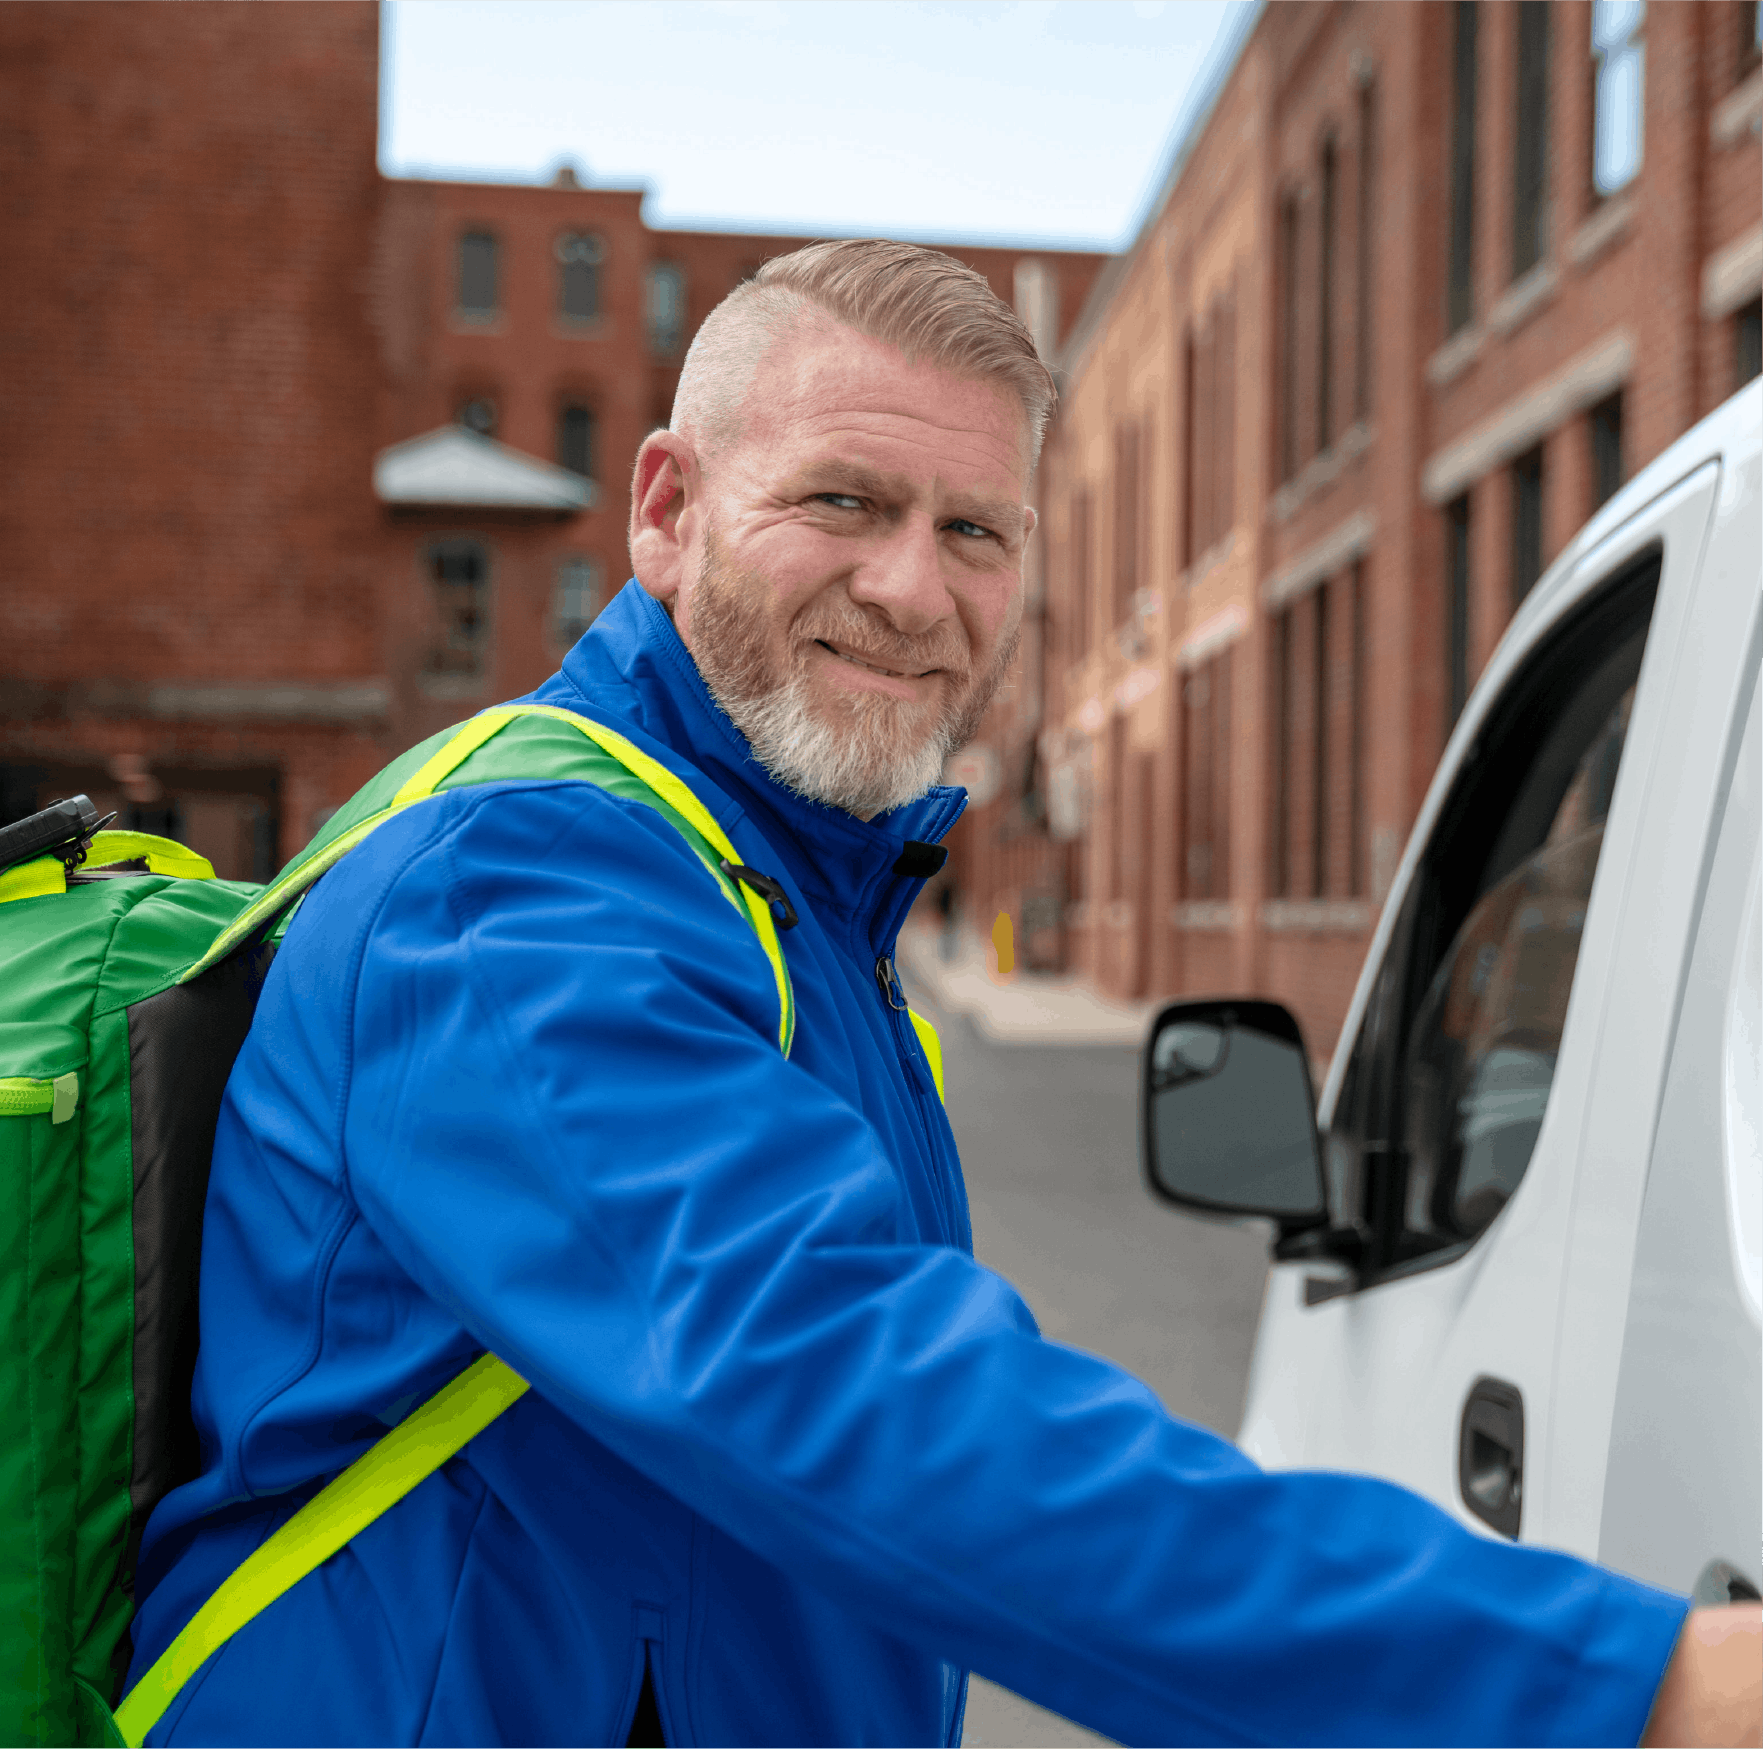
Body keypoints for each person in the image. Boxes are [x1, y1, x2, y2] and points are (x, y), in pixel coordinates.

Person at [125, 240, 1759, 1747]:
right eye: (843, 502)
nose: (915, 592)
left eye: (974, 531)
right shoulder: (517, 889)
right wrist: (1622, 1684)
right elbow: (869, 1404)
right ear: (666, 508)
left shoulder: (783, 876)